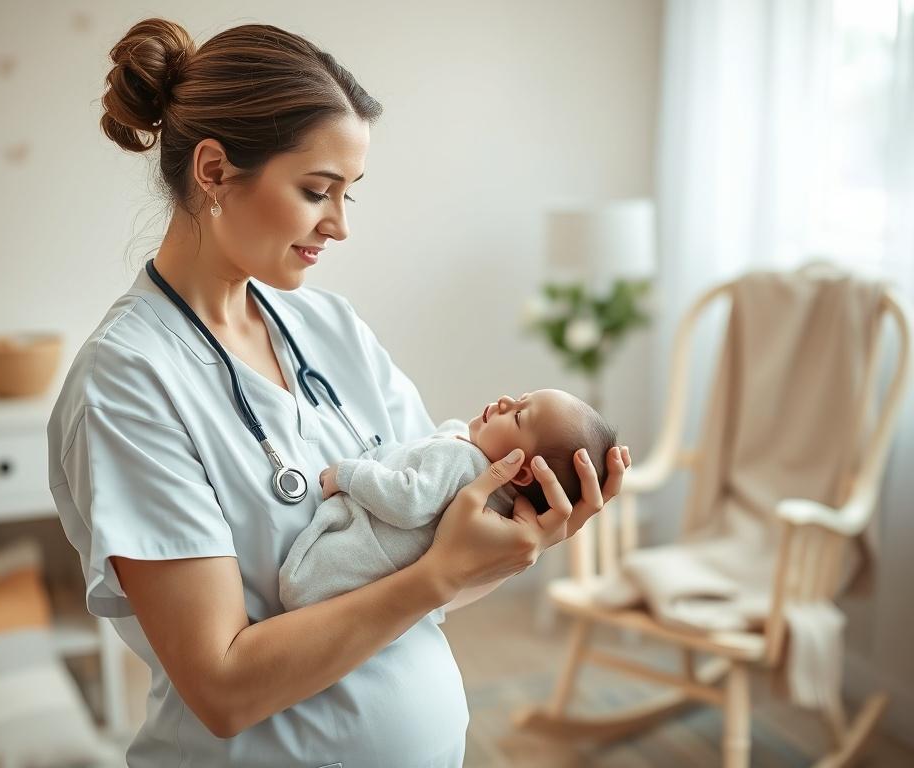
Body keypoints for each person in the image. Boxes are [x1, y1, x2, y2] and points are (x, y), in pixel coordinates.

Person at [47, 17, 631, 767]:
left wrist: (518, 540)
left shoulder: (330, 328)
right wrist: (442, 572)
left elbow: (428, 568)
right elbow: (223, 690)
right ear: (215, 171)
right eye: (317, 190)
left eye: (350, 193)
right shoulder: (127, 385)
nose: (340, 225)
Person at [280, 389, 618, 611]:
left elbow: (408, 502)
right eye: (519, 398)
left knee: (301, 587)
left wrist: (348, 475)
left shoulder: (461, 460)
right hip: (355, 594)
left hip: (328, 575)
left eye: (517, 415)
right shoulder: (492, 498)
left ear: (523, 473)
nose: (504, 401)